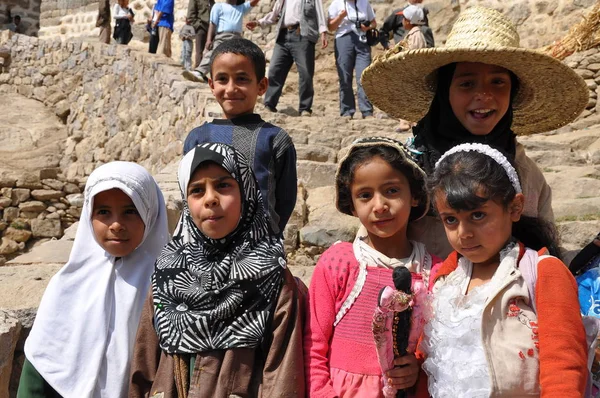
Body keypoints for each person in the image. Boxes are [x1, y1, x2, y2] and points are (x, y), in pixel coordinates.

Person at [361, 6, 589, 257]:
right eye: (467, 84)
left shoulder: (528, 177)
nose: (483, 96)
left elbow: (544, 254)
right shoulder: (406, 172)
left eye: (498, 82)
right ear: (444, 92)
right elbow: (370, 254)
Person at [129, 143, 305, 397]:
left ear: (246, 192)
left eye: (223, 185)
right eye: (197, 190)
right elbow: (145, 366)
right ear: (186, 202)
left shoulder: (272, 277)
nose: (210, 199)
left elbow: (282, 376)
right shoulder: (168, 273)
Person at [421, 143, 588, 396]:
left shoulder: (543, 273)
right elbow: (432, 355)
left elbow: (564, 365)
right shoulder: (444, 279)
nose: (464, 233)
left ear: (515, 208)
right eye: (451, 220)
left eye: (478, 215)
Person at [16, 162, 169, 398]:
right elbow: (40, 364)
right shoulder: (67, 285)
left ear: (150, 212)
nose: (116, 225)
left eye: (131, 211)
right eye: (104, 212)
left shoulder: (166, 283)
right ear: (88, 215)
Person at [304, 136, 442, 397]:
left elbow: (439, 349)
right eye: (365, 195)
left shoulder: (434, 273)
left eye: (392, 191)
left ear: (414, 196)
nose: (380, 206)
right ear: (352, 206)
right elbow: (313, 346)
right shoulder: (338, 263)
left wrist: (418, 368)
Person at [182, 38, 297, 236]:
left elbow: (285, 199)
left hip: (259, 250)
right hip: (208, 249)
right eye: (222, 79)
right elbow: (190, 194)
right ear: (211, 85)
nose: (231, 88)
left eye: (242, 79)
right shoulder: (198, 139)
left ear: (261, 86)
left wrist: (269, 236)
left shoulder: (275, 139)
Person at [245, 0, 328, 116]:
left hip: (302, 35)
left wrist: (323, 32)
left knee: (305, 73)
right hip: (283, 36)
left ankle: (305, 108)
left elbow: (319, 12)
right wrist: (258, 22)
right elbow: (274, 15)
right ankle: (269, 104)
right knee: (275, 70)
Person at [182, 0, 260, 83]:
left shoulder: (241, 8)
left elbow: (252, 3)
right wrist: (209, 40)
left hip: (237, 38)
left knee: (237, 59)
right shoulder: (218, 6)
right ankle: (200, 72)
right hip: (222, 36)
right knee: (214, 53)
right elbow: (213, 24)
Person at [328, 0, 377, 119]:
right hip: (344, 39)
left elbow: (373, 23)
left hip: (362, 40)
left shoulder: (364, 3)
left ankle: (367, 111)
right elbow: (331, 27)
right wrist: (341, 16)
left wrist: (367, 27)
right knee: (345, 76)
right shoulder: (336, 4)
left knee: (364, 76)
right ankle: (347, 111)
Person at [187, 0, 215, 68]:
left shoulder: (212, 2)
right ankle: (197, 72)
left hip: (211, 30)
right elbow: (190, 16)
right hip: (201, 28)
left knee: (212, 52)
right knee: (199, 52)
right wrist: (198, 26)